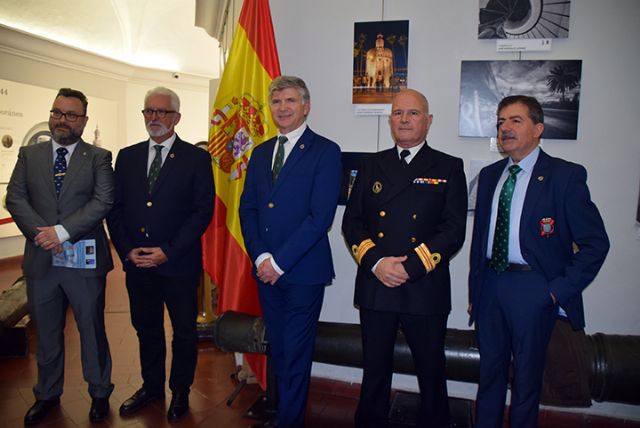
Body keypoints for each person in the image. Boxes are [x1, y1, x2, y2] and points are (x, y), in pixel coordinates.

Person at [468, 95, 609, 428]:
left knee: (527, 382)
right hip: (491, 285)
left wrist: (556, 291)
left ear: (538, 128)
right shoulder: (490, 176)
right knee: (488, 376)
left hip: (534, 289)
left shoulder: (564, 176)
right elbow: (479, 241)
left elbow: (595, 243)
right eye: (501, 122)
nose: (505, 128)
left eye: (515, 120)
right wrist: (476, 291)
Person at [342, 88, 468, 428]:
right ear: (390, 120)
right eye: (398, 113)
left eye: (413, 113)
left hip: (424, 285)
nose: (404, 120)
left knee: (431, 370)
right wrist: (378, 264)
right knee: (375, 369)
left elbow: (454, 229)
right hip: (377, 283)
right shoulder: (371, 165)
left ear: (427, 121)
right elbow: (351, 223)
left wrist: (410, 267)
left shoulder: (449, 167)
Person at [6, 88, 114, 424]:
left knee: (91, 329)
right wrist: (44, 234)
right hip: (41, 260)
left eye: (70, 115)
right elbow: (15, 198)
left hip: (83, 263)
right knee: (47, 332)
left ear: (83, 120)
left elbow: (102, 201)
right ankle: (48, 394)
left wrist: (62, 232)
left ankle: (99, 393)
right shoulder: (29, 154)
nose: (61, 120)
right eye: (57, 112)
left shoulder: (98, 157)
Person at [107, 87, 215, 422]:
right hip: (138, 264)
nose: (154, 117)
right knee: (146, 328)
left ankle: (180, 391)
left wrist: (167, 252)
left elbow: (202, 211)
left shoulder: (196, 158)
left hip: (178, 264)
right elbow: (115, 209)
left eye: (162, 112)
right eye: (149, 111)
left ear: (176, 118)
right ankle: (151, 387)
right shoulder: (127, 156)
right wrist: (127, 250)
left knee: (183, 331)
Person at [239, 75, 342, 428]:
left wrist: (279, 262)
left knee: (297, 353)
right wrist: (261, 258)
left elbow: (320, 218)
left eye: (290, 101)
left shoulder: (326, 151)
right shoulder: (261, 152)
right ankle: (281, 413)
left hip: (302, 271)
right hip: (266, 269)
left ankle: (290, 421)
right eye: (277, 102)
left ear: (306, 106)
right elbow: (248, 209)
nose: (282, 108)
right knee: (278, 349)